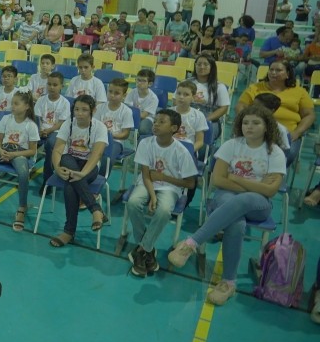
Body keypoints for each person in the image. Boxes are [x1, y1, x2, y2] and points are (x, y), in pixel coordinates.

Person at [169, 105, 286, 305]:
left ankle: (190, 244)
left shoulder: (274, 152)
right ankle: (229, 283)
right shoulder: (232, 145)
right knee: (236, 223)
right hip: (227, 196)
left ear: (267, 126)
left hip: (258, 205)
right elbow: (218, 181)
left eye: (256, 123)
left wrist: (234, 178)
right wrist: (256, 185)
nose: (249, 126)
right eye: (246, 122)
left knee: (244, 200)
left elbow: (270, 192)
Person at [127, 109, 198, 277]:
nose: (156, 124)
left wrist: (164, 177)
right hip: (147, 183)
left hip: (170, 187)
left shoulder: (181, 151)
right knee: (133, 202)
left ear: (174, 128)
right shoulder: (145, 143)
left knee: (164, 209)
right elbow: (145, 175)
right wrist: (152, 195)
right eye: (156, 120)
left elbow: (190, 182)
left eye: (161, 122)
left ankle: (142, 249)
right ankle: (148, 249)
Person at [49, 94, 108, 247]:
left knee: (70, 185)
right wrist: (56, 167)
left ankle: (68, 232)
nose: (79, 113)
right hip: (69, 163)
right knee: (67, 158)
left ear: (92, 111)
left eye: (84, 110)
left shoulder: (100, 127)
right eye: (76, 109)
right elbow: (57, 150)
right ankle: (95, 209)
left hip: (89, 166)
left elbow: (97, 154)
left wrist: (82, 173)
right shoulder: (68, 124)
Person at [236, 60, 315, 164]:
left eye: (278, 70)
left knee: (285, 156)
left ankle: (274, 179)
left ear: (288, 74)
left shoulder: (299, 92)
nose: (273, 72)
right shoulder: (255, 88)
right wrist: (247, 122)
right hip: (257, 131)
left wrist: (297, 133)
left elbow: (309, 115)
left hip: (287, 134)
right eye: (271, 70)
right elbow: (241, 106)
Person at [0, 91, 39, 232]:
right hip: (4, 150)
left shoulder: (31, 125)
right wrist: (1, 151)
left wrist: (12, 154)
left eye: (16, 103)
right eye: (12, 103)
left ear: (27, 106)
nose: (13, 106)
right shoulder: (6, 119)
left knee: (23, 173)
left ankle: (22, 207)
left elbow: (32, 151)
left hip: (20, 154)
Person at [35, 71, 70, 186]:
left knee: (50, 144)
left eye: (55, 85)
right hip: (41, 130)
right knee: (26, 139)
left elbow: (61, 122)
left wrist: (48, 131)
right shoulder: (41, 100)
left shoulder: (65, 103)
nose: (51, 87)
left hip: (56, 131)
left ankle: (47, 178)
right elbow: (38, 118)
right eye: (49, 84)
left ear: (62, 86)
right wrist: (40, 130)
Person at [189, 54, 230, 136]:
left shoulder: (220, 87)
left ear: (212, 67)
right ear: (195, 66)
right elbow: (176, 100)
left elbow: (224, 108)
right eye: (199, 64)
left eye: (205, 64)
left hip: (210, 120)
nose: (202, 67)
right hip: (189, 116)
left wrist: (205, 120)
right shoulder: (187, 83)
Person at [95, 79, 134, 158]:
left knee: (108, 156)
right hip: (98, 139)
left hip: (116, 141)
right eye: (110, 91)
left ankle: (103, 170)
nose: (112, 95)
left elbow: (125, 134)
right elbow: (94, 126)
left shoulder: (127, 111)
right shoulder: (99, 108)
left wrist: (110, 136)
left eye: (116, 93)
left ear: (124, 96)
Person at [126, 69, 158, 136]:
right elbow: (126, 107)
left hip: (146, 118)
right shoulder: (132, 92)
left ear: (150, 84)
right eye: (138, 80)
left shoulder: (153, 98)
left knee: (143, 129)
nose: (139, 83)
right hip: (132, 115)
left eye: (143, 81)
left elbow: (143, 115)